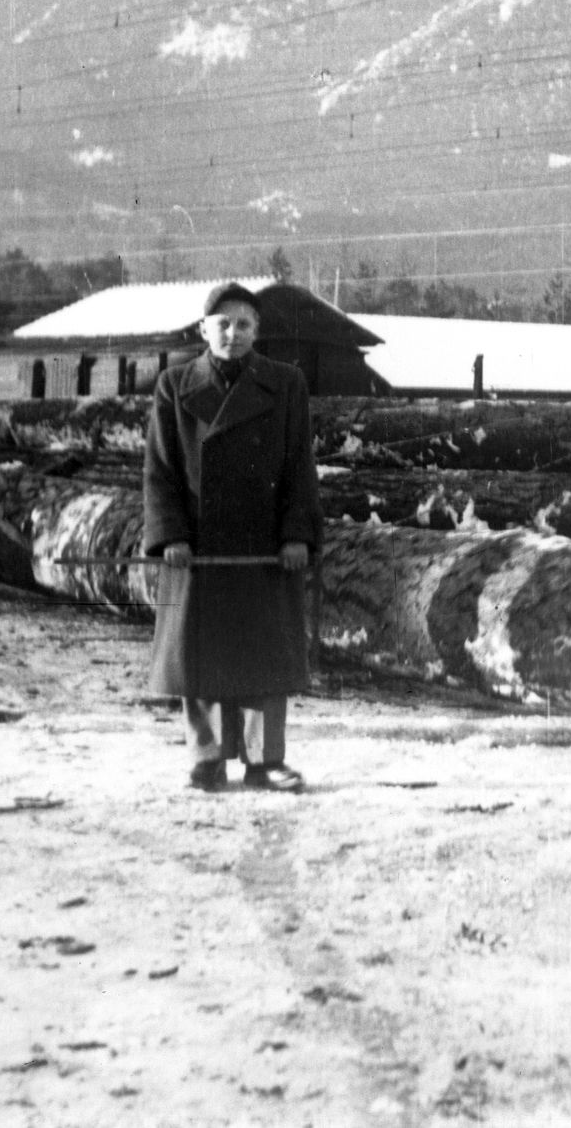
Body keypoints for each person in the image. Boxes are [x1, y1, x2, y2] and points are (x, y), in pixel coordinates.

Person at [141, 282, 321, 791]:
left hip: (264, 546)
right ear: (203, 329)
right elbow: (161, 468)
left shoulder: (286, 384)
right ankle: (207, 758)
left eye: (244, 324)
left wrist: (296, 535)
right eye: (222, 323)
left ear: (257, 332)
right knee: (200, 652)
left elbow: (298, 466)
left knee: (265, 652)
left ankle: (266, 761)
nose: (233, 333)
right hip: (197, 546)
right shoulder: (175, 385)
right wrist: (170, 535)